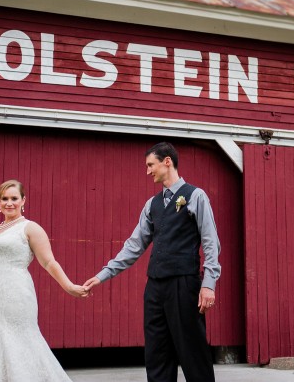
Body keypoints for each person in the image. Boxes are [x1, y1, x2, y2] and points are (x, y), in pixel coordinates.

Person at [83, 142, 221, 382]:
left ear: (167, 161)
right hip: (155, 288)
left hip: (184, 285)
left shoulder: (195, 196)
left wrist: (208, 284)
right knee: (157, 354)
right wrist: (103, 274)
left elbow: (211, 244)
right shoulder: (151, 205)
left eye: (150, 164)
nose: (147, 171)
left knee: (192, 353)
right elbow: (134, 246)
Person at [0, 179, 90, 382]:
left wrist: (69, 286)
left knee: (17, 340)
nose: (9, 203)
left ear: (23, 201)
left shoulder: (30, 228)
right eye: (4, 198)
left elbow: (49, 262)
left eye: (14, 198)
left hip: (15, 295)